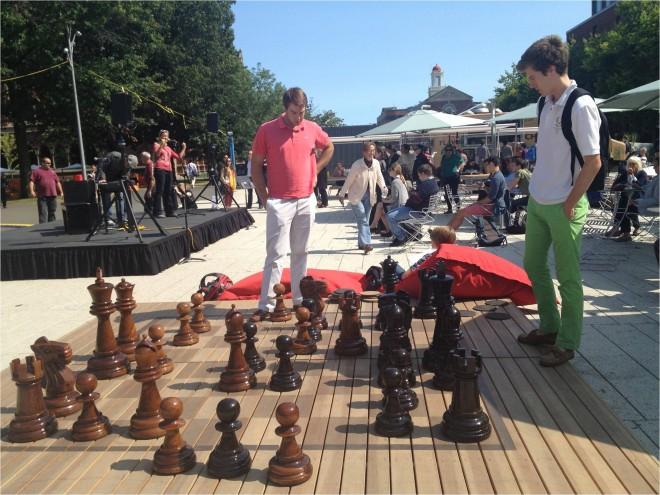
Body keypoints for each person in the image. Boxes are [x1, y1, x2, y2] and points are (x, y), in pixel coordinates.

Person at [515, 35, 603, 367]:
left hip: (566, 202)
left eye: (533, 77)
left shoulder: (580, 104)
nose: (530, 83)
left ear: (551, 69)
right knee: (533, 265)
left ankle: (567, 343)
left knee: (568, 277)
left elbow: (593, 161)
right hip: (539, 200)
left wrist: (570, 203)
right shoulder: (545, 103)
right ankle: (550, 327)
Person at [249, 87, 334, 321]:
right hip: (279, 200)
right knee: (275, 254)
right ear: (285, 109)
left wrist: (315, 169)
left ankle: (299, 299)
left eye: (303, 111)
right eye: (295, 112)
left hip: (306, 199)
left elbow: (329, 147)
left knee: (301, 252)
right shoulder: (267, 130)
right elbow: (256, 165)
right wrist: (264, 197)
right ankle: (266, 305)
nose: (299, 117)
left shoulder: (312, 128)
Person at [338, 142, 388, 254]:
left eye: (373, 150)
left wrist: (383, 187)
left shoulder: (376, 163)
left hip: (370, 196)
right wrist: (342, 193)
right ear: (364, 152)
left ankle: (361, 243)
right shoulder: (357, 164)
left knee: (363, 220)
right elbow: (349, 180)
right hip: (356, 196)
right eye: (369, 150)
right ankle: (367, 243)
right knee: (363, 219)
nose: (372, 153)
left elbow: (379, 177)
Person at [386, 163, 440, 247]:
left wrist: (411, 194)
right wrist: (413, 192)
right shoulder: (434, 183)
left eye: (419, 175)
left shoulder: (426, 185)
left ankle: (401, 238)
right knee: (391, 213)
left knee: (390, 216)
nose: (419, 177)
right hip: (423, 211)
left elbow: (415, 199)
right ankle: (410, 234)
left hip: (417, 212)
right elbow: (419, 196)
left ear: (423, 174)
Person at [446, 157, 505, 231]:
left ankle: (446, 233)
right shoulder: (493, 175)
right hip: (490, 204)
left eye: (489, 165)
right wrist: (482, 187)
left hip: (492, 206)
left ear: (496, 165)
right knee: (460, 212)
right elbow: (490, 190)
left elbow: (490, 198)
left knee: (461, 212)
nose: (487, 167)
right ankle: (446, 230)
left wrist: (476, 203)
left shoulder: (496, 178)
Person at [609, 156, 648, 242]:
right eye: (629, 164)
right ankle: (621, 229)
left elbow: (640, 188)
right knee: (618, 206)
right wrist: (624, 185)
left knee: (625, 208)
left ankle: (625, 232)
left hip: (637, 200)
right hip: (625, 199)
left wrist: (633, 178)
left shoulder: (642, 174)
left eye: (633, 164)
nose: (631, 166)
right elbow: (614, 186)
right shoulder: (625, 173)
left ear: (638, 165)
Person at [152, 129, 186, 218]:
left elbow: (178, 157)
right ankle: (158, 211)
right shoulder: (156, 144)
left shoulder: (168, 148)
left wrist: (184, 148)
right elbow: (157, 154)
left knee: (168, 190)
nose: (165, 138)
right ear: (160, 137)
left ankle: (169, 211)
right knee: (160, 190)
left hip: (169, 169)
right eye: (163, 136)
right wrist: (162, 145)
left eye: (167, 136)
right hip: (160, 168)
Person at [370, 163, 409, 236]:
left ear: (394, 171)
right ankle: (384, 229)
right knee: (380, 208)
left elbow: (394, 199)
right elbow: (395, 195)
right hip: (403, 204)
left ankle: (374, 225)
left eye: (390, 170)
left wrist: (384, 200)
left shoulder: (395, 182)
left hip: (399, 206)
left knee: (380, 205)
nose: (389, 172)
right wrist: (387, 198)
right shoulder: (401, 179)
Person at [28, 156, 63, 223]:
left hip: (53, 195)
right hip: (42, 196)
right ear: (42, 163)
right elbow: (31, 181)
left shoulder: (52, 172)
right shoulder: (36, 171)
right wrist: (32, 191)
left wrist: (61, 192)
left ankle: (51, 225)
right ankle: (43, 227)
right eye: (47, 163)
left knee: (52, 212)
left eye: (50, 163)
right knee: (43, 213)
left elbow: (58, 182)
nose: (49, 165)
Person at [438, 144, 464, 214]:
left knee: (454, 193)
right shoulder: (444, 157)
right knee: (447, 194)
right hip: (445, 178)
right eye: (447, 150)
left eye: (450, 150)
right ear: (445, 151)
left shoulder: (456, 156)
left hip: (454, 177)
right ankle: (450, 209)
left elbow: (462, 163)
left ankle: (458, 209)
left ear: (452, 151)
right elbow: (442, 165)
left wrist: (458, 169)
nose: (448, 151)